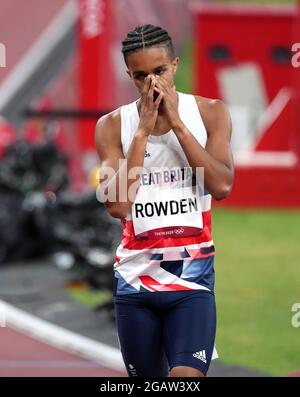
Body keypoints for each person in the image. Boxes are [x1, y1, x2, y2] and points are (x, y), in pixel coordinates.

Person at [95, 24, 234, 377]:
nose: (152, 83)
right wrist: (142, 131)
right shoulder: (112, 126)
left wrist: (177, 125)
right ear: (129, 75)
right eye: (141, 76)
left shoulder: (209, 113)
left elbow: (220, 186)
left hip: (192, 283)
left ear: (175, 65)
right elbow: (118, 206)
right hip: (135, 283)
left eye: (159, 71)